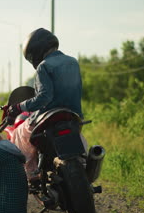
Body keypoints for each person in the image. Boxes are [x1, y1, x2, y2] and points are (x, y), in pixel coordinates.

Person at [8, 28, 87, 184]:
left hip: (49, 116)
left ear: (36, 50)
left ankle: (31, 173)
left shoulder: (44, 66)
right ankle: (85, 163)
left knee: (18, 133)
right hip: (72, 114)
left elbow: (44, 97)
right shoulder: (73, 61)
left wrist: (19, 107)